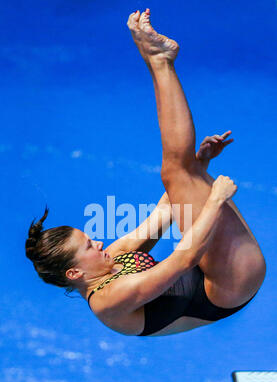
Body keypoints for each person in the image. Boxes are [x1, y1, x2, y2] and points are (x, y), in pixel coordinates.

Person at [25, 9, 266, 337]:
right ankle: (159, 60)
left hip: (210, 267)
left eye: (88, 237)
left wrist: (200, 165)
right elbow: (184, 258)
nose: (98, 241)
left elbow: (166, 210)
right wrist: (213, 200)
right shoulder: (108, 300)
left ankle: (160, 60)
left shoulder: (112, 258)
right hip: (231, 286)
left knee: (177, 172)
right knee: (177, 172)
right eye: (88, 246)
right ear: (74, 274)